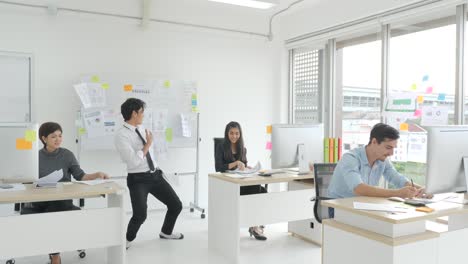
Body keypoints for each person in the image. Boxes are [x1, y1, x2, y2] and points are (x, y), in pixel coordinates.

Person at [34, 122, 109, 264]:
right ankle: (54, 253)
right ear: (44, 139)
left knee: (54, 214)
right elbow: (28, 181)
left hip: (62, 200)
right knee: (50, 215)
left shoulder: (67, 155)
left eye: (60, 136)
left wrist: (97, 174)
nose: (58, 139)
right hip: (40, 200)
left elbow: (80, 176)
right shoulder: (35, 156)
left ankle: (55, 255)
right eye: (53, 136)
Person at [115, 98, 183, 249]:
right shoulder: (122, 135)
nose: (143, 115)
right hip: (138, 179)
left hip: (155, 175)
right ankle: (126, 240)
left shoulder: (141, 128)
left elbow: (149, 154)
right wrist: (148, 144)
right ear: (134, 113)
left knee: (176, 205)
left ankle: (166, 232)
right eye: (142, 112)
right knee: (140, 215)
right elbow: (133, 161)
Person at [328, 123, 431, 209]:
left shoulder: (382, 160)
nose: (391, 153)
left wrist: (423, 190)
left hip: (363, 205)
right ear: (374, 142)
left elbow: (398, 179)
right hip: (339, 208)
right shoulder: (351, 158)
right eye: (388, 147)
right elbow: (359, 188)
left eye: (393, 148)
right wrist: (398, 193)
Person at [215, 121, 267, 241]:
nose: (234, 136)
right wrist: (235, 163)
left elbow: (243, 165)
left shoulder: (242, 149)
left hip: (240, 181)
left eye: (237, 133)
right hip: (228, 184)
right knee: (257, 190)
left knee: (261, 190)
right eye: (231, 133)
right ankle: (254, 225)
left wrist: (248, 167)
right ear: (227, 134)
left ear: (240, 134)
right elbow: (218, 167)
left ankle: (254, 224)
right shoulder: (221, 147)